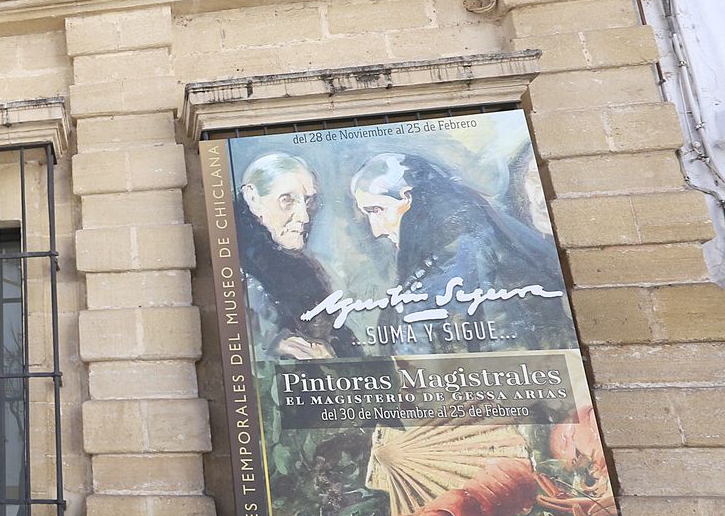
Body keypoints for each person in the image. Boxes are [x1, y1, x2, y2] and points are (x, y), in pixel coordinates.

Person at [349, 152, 572, 350]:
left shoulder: (468, 250)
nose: (376, 230)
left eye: (377, 209)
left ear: (408, 197)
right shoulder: (444, 252)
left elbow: (504, 342)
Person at [238, 152, 355, 360]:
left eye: (308, 201)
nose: (304, 216)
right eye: (287, 200)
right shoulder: (238, 272)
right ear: (253, 199)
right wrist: (275, 348)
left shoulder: (308, 271)